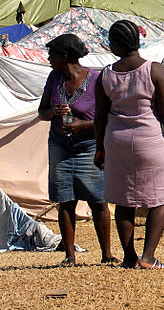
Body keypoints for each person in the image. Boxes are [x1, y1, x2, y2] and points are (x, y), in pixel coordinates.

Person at [94, 20, 164, 270]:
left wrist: (100, 148)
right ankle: (148, 256)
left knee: (124, 201)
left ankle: (129, 256)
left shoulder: (106, 75)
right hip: (149, 141)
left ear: (116, 44)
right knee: (161, 198)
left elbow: (100, 117)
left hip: (116, 141)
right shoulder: (154, 70)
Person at [37, 34, 117, 266]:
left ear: (65, 57)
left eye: (52, 55)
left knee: (98, 200)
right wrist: (53, 112)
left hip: (89, 146)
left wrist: (84, 125)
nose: (49, 59)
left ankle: (107, 254)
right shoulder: (54, 78)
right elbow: (41, 112)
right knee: (65, 199)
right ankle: (70, 255)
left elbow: (110, 117)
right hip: (60, 146)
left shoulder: (96, 79)